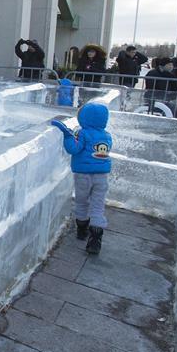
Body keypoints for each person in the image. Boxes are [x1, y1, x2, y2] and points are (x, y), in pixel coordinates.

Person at [51, 102, 112, 255]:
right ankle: (96, 239)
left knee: (82, 201)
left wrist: (67, 135)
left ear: (85, 118)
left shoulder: (83, 133)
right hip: (102, 177)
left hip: (83, 175)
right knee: (98, 206)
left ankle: (82, 229)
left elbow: (74, 149)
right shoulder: (107, 136)